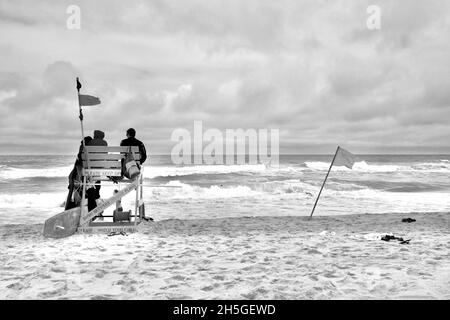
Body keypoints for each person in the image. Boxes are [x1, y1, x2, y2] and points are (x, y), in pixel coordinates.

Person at [86, 130, 108, 214]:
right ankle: (96, 195)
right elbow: (105, 154)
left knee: (91, 180)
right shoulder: (105, 143)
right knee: (97, 179)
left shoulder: (90, 142)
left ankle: (93, 197)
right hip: (100, 166)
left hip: (90, 167)